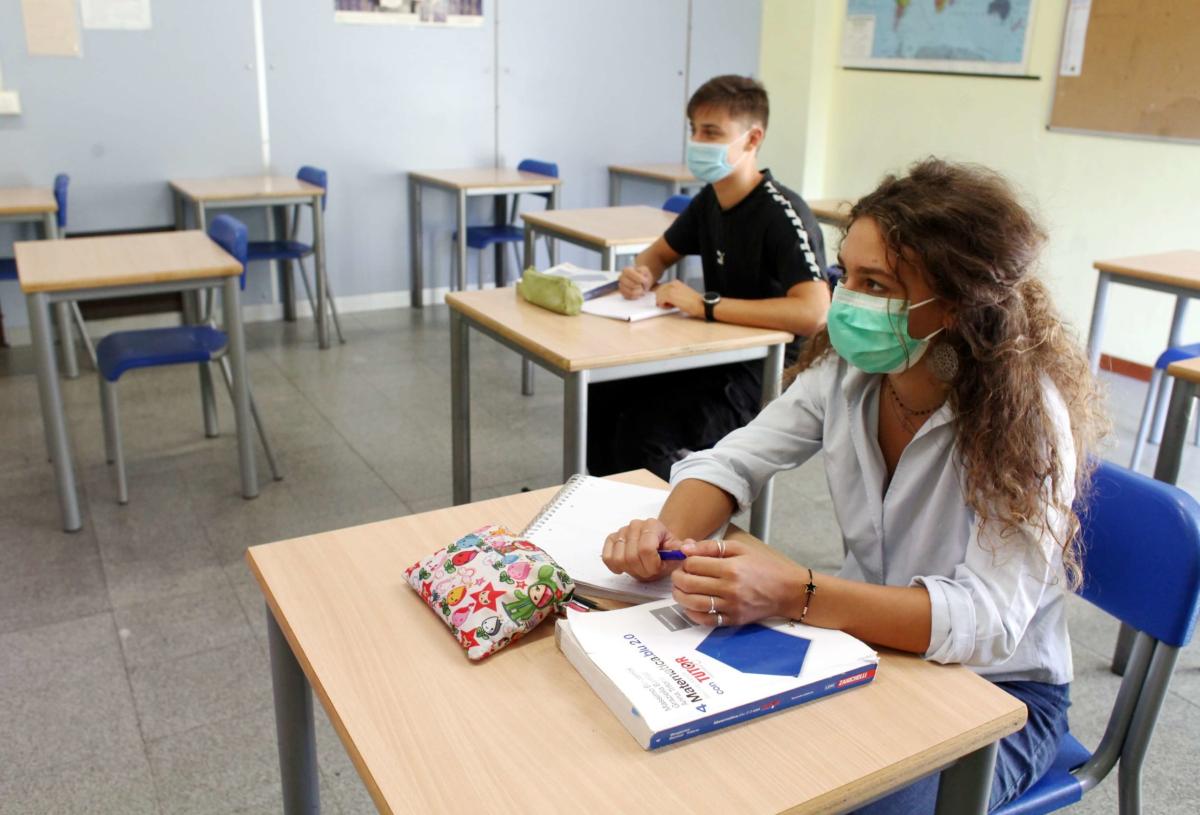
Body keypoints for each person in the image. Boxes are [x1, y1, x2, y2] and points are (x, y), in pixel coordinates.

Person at [600, 158, 1107, 812]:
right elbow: (732, 460)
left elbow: (985, 622)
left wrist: (795, 593)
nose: (846, 300)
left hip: (1001, 696)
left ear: (954, 304)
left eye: (877, 284)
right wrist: (668, 532)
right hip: (869, 644)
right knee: (719, 763)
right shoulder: (849, 373)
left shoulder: (1026, 421)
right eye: (846, 274)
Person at [586, 74, 829, 481]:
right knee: (603, 394)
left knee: (644, 431)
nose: (697, 141)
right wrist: (641, 274)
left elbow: (814, 312)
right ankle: (613, 512)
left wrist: (705, 306)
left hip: (768, 369)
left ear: (752, 140)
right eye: (694, 130)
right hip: (717, 349)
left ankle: (670, 535)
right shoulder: (710, 200)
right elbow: (659, 253)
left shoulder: (781, 213)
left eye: (711, 132)